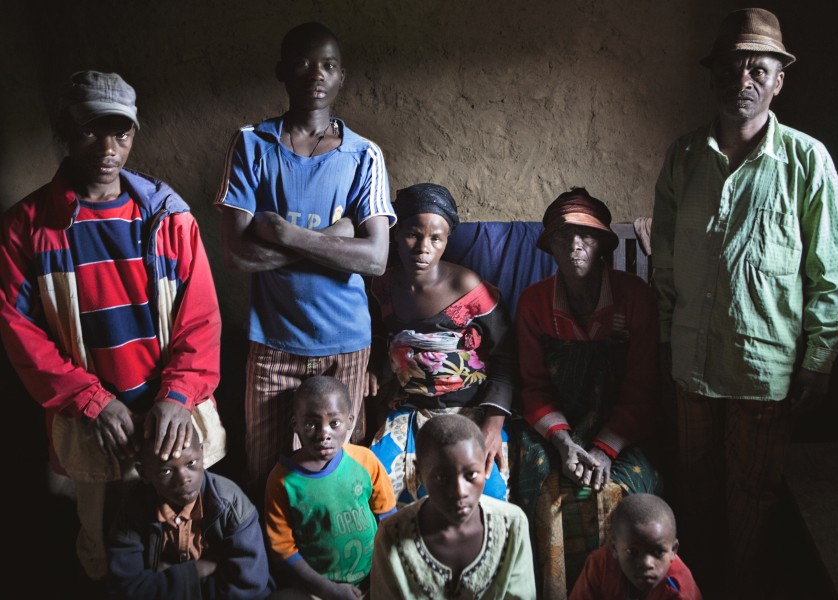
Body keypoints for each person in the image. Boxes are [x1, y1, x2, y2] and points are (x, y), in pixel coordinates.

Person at [650, 8, 838, 596]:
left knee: (754, 495)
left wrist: (820, 358)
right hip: (691, 365)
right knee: (695, 485)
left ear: (778, 80)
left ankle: (739, 587)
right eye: (731, 68)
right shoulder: (683, 158)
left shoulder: (807, 161)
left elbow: (830, 271)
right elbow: (665, 261)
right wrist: (666, 342)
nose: (743, 80)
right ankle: (698, 586)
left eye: (757, 69)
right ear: (713, 76)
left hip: (766, 371)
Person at [0, 70, 226, 581]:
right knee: (105, 543)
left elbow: (202, 318)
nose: (108, 147)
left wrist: (178, 395)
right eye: (90, 130)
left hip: (168, 412)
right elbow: (19, 331)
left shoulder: (168, 217)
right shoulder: (27, 229)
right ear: (64, 131)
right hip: (93, 419)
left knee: (183, 534)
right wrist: (91, 401)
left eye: (120, 133)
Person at [215, 21, 396, 504]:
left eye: (329, 65)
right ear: (282, 72)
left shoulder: (363, 156)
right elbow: (236, 255)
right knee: (264, 475)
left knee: (340, 477)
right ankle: (275, 572)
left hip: (346, 344)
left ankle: (341, 566)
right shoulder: (252, 145)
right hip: (273, 341)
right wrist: (335, 238)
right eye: (303, 63)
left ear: (342, 77)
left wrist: (284, 232)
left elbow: (376, 259)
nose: (317, 74)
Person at [515, 187, 662, 599]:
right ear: (550, 247)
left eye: (587, 236)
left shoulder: (635, 298)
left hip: (622, 427)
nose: (575, 246)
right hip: (554, 424)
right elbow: (534, 386)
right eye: (564, 237)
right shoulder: (533, 303)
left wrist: (604, 449)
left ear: (602, 245)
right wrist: (562, 443)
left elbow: (642, 387)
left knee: (632, 487)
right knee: (537, 479)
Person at [367, 182, 517, 504]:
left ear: (447, 240)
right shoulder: (382, 286)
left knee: (486, 489)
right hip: (410, 410)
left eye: (435, 238)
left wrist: (493, 421)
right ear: (395, 233)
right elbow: (380, 335)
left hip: (472, 411)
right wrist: (376, 369)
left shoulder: (469, 287)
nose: (423, 247)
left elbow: (507, 355)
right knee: (381, 485)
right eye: (412, 234)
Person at [370, 413, 535, 599]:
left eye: (471, 475)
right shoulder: (391, 535)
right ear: (419, 471)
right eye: (442, 477)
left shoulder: (512, 525)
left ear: (485, 464)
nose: (459, 491)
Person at [264, 375, 397, 599]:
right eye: (310, 424)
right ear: (295, 425)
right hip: (317, 587)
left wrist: (385, 575)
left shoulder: (364, 460)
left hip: (375, 577)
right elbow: (283, 549)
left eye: (334, 423)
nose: (323, 433)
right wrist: (328, 589)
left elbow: (389, 520)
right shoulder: (282, 480)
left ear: (349, 421)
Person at [107, 425, 273, 599]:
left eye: (191, 463)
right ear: (144, 473)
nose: (184, 479)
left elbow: (250, 583)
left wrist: (167, 577)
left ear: (202, 452)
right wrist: (197, 569)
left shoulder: (232, 504)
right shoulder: (133, 510)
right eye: (166, 470)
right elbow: (125, 589)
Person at [569, 493, 702, 600]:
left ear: (673, 550)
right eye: (633, 552)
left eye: (658, 552)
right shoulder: (600, 564)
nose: (646, 563)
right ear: (614, 548)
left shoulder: (679, 592)